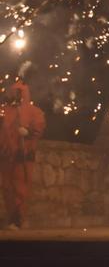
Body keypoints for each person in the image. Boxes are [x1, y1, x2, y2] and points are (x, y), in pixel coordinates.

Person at [0, 78, 46, 229]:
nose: (14, 95)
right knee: (7, 188)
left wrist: (27, 133)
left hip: (23, 156)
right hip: (7, 156)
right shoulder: (5, 111)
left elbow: (38, 129)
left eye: (17, 92)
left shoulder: (34, 112)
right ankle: (12, 219)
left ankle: (18, 220)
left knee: (20, 188)